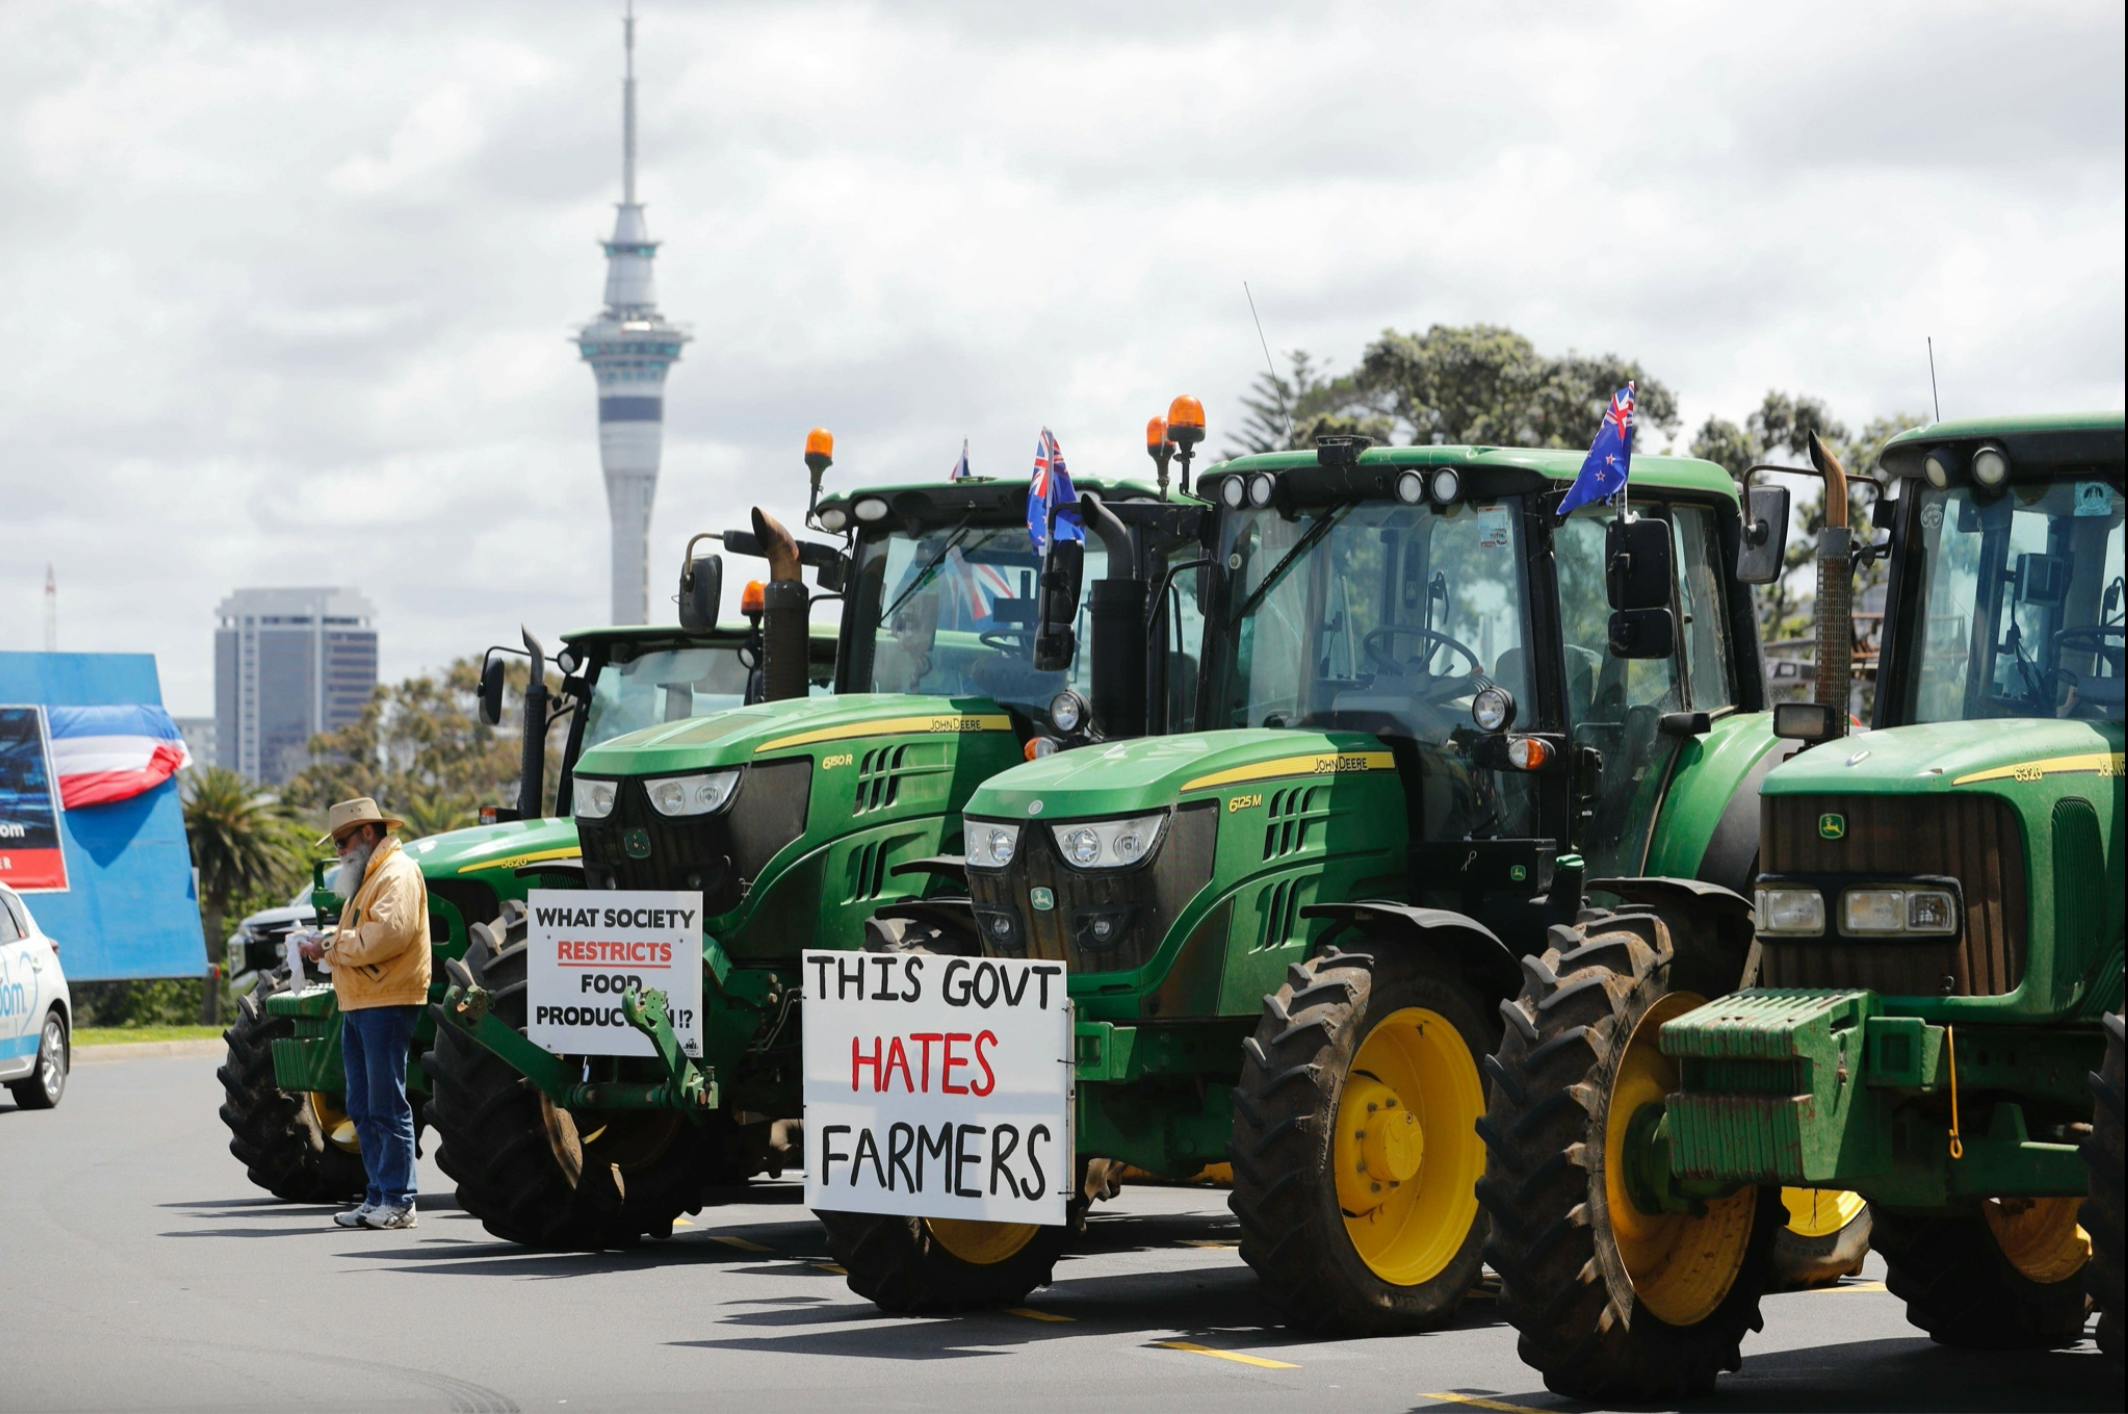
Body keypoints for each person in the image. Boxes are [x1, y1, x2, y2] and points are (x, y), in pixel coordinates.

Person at [297, 797, 431, 1231]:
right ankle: (377, 1196)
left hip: (387, 1001)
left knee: (386, 1103)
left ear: (368, 834)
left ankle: (399, 1200)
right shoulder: (372, 875)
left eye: (342, 841)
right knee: (363, 1103)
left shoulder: (397, 873)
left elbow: (388, 935)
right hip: (363, 1001)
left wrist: (331, 947)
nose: (338, 851)